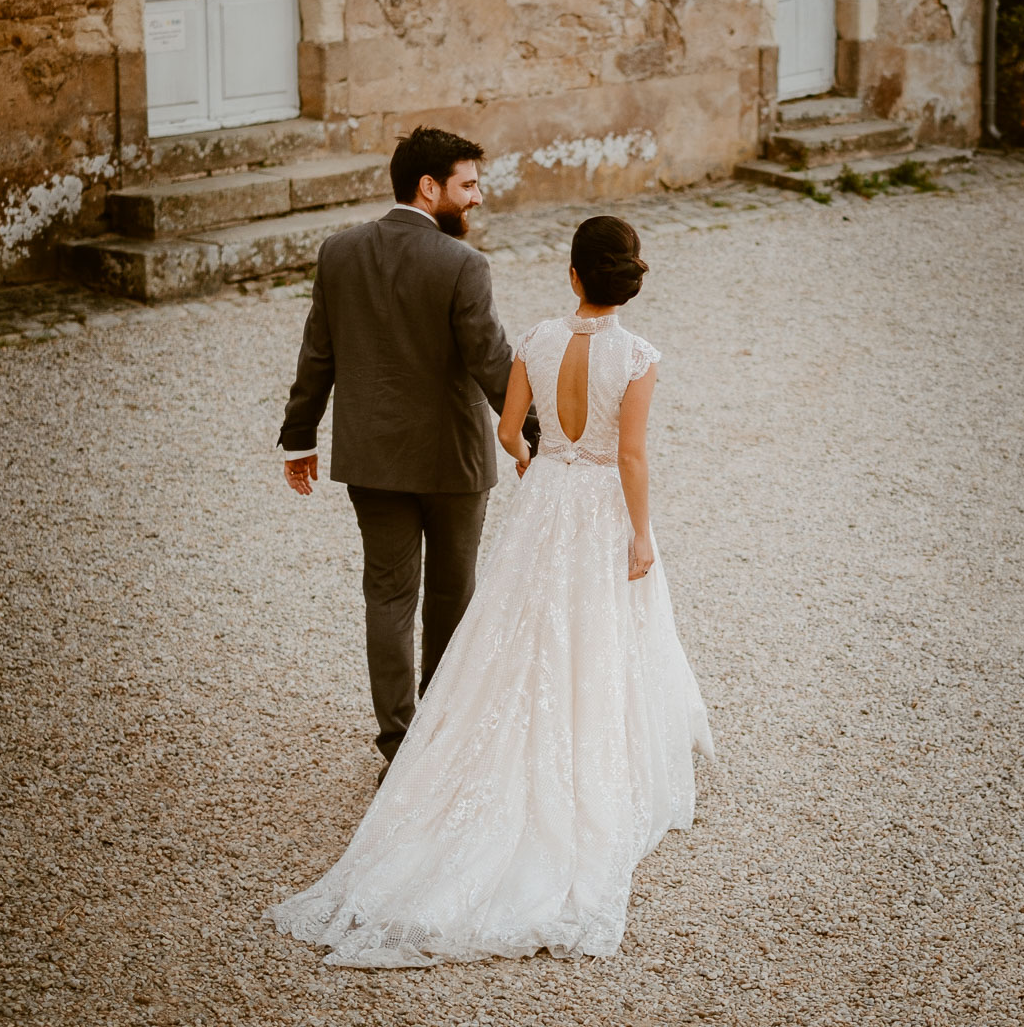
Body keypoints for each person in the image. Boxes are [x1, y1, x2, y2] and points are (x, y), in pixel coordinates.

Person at [267, 215, 713, 965]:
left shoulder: (537, 340)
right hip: (601, 504)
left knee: (520, 629)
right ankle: (593, 751)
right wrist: (640, 533)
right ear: (625, 281)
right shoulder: (639, 356)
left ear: (573, 276)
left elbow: (511, 432)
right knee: (600, 629)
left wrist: (538, 462)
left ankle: (448, 745)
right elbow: (632, 458)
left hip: (547, 503)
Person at [277, 126, 534, 776]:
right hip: (453, 463)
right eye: (468, 185)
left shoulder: (339, 252)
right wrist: (540, 434)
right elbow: (493, 364)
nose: (477, 198)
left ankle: (398, 741)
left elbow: (318, 353)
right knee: (452, 594)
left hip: (373, 461)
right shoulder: (462, 265)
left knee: (388, 597)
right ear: (429, 186)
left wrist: (300, 436)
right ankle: (440, 729)